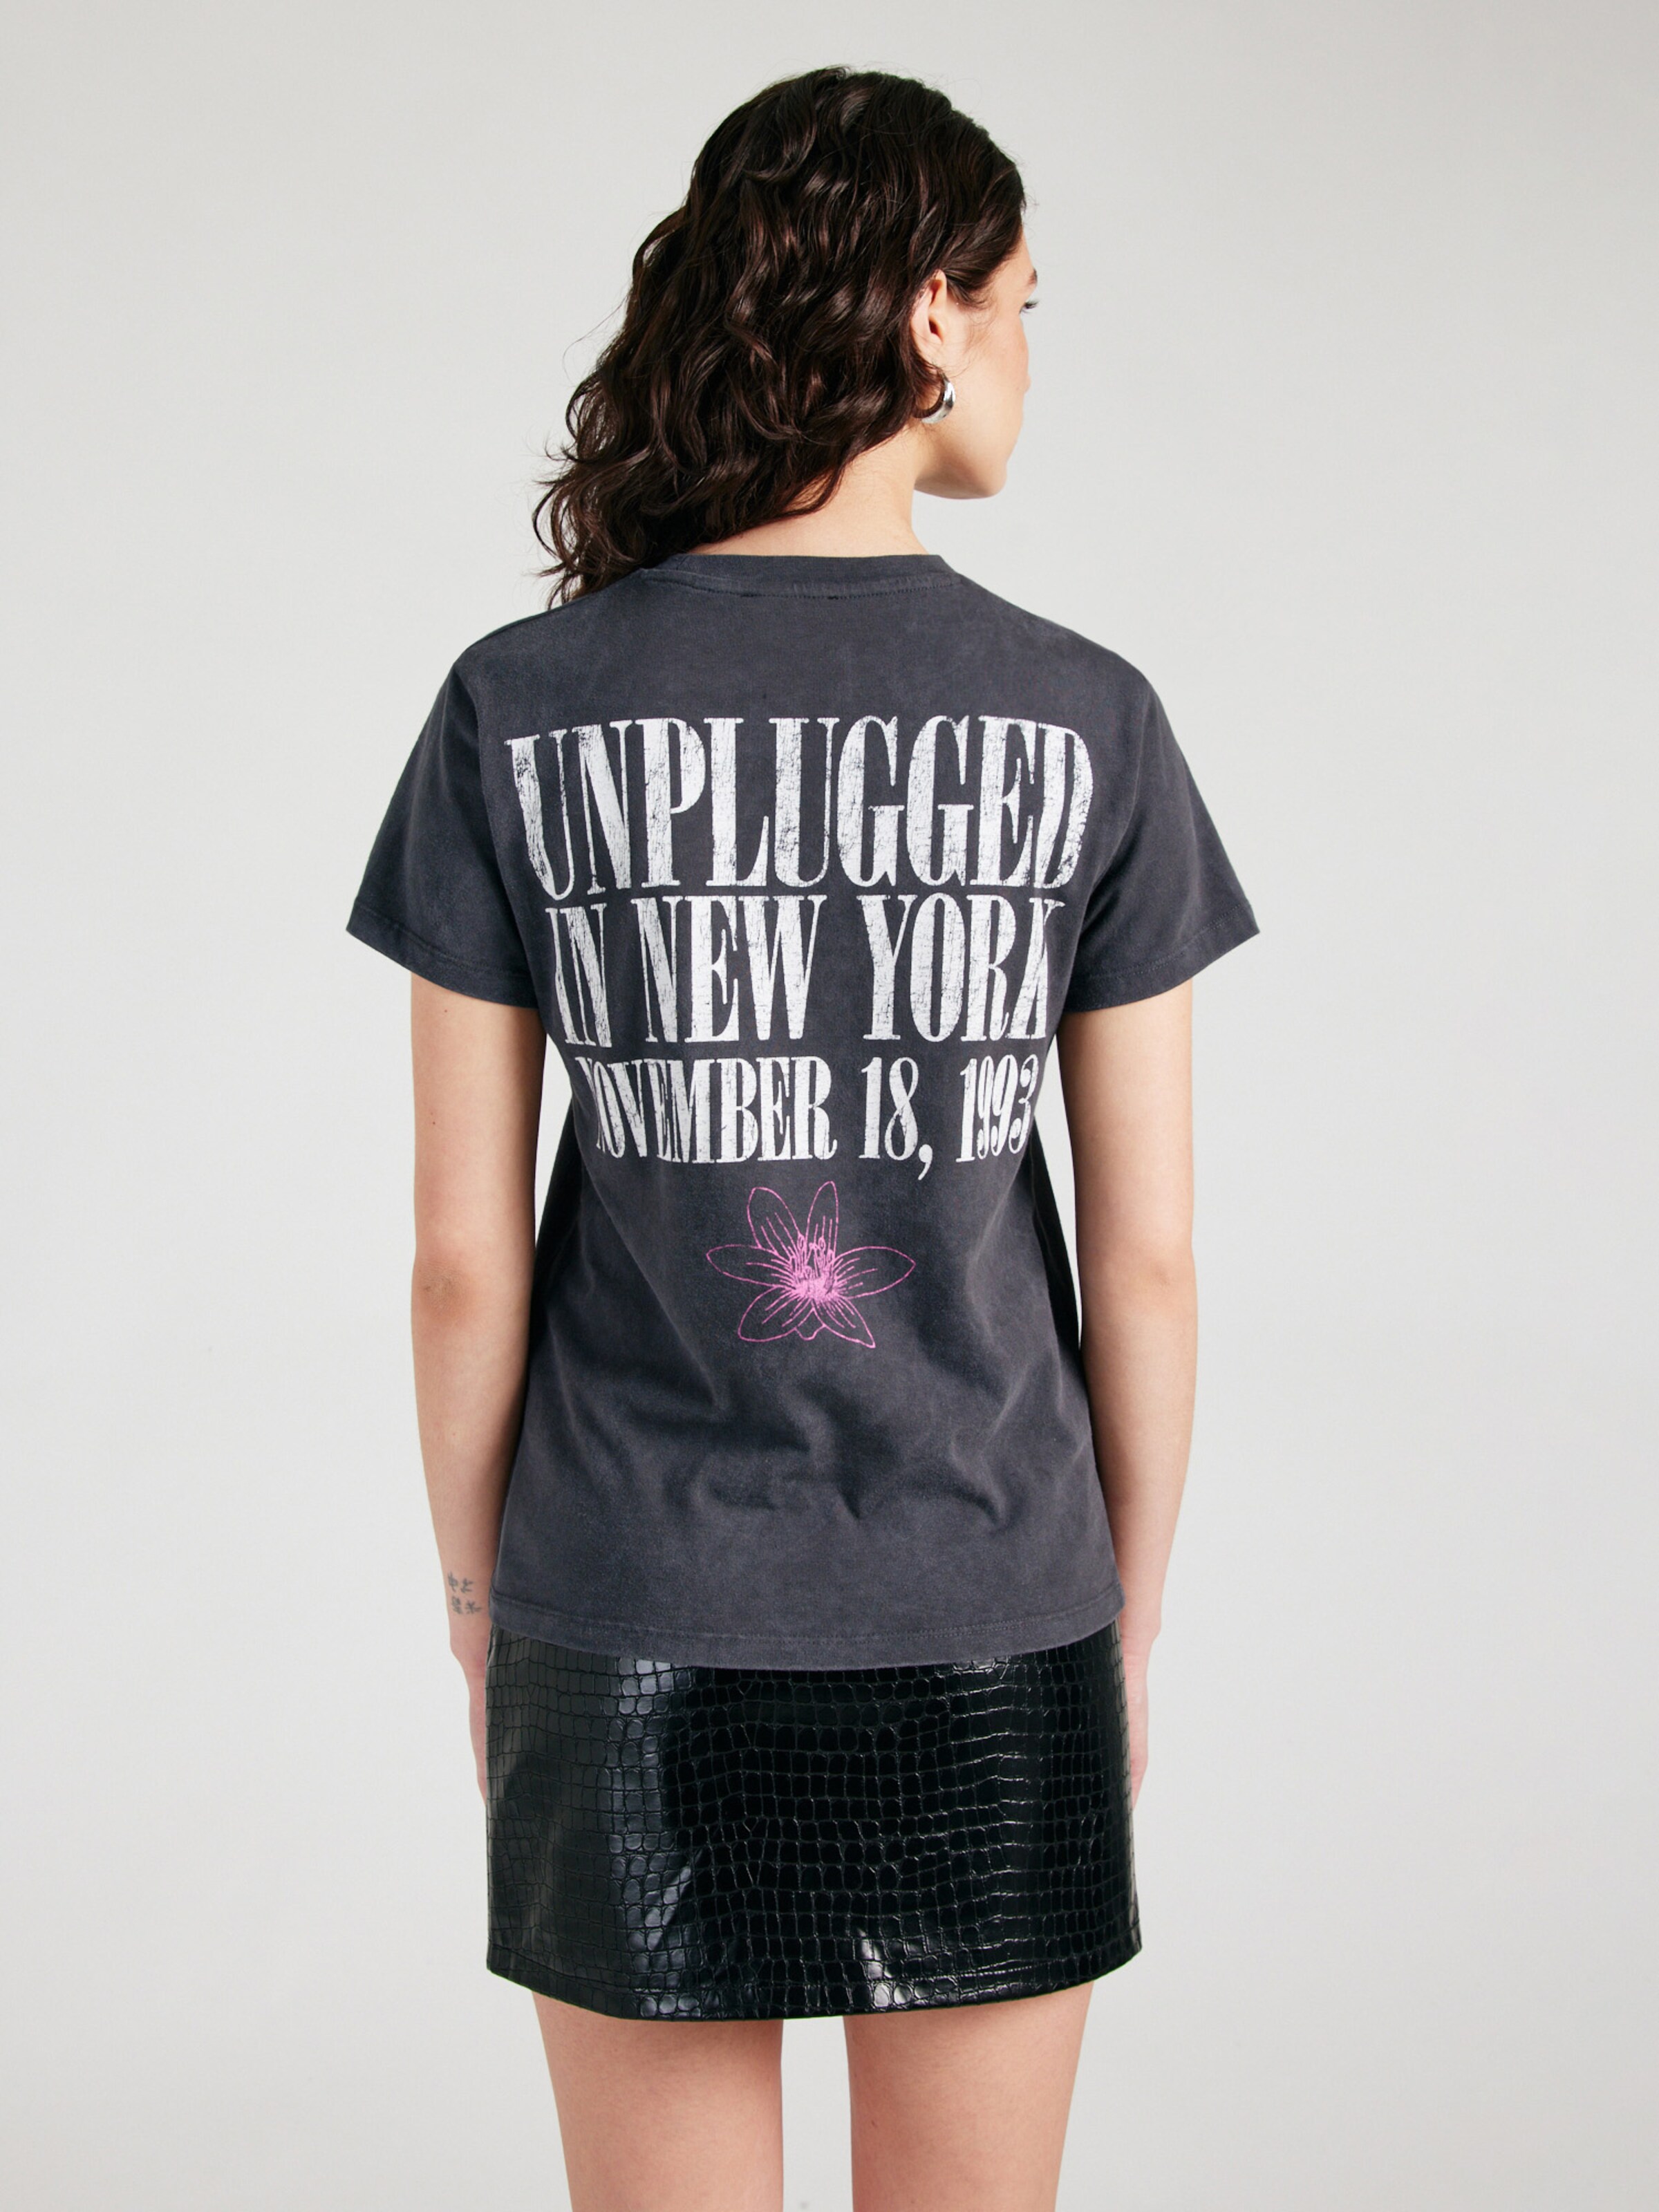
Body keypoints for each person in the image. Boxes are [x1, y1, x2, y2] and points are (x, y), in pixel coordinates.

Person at [348, 66, 1257, 2212]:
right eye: (1023, 303)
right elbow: (1145, 1260)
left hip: (625, 1601)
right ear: (935, 314)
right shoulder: (1089, 718)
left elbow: (462, 1261)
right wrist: (1120, 1625)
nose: (1026, 353)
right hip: (995, 1598)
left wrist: (483, 1608)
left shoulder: (519, 706)